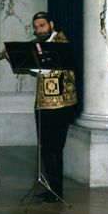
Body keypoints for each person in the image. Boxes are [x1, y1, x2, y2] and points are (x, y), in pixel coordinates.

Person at [28, 11, 77, 203]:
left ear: (51, 24)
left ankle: (57, 192)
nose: (39, 30)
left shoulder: (61, 42)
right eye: (36, 27)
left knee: (54, 148)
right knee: (45, 147)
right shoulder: (41, 44)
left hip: (60, 104)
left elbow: (50, 66)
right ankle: (52, 189)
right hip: (43, 103)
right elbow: (38, 69)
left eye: (42, 26)